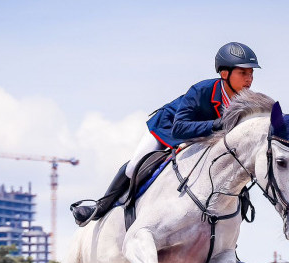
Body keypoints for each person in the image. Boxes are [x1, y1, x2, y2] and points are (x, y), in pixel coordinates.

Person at [71, 42, 261, 227]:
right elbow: (180, 128)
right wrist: (215, 124)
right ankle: (99, 207)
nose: (249, 79)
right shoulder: (201, 90)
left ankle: (229, 245)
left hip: (203, 141)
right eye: (243, 72)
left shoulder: (246, 102)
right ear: (224, 73)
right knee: (134, 166)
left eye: (251, 73)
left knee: (236, 187)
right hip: (168, 129)